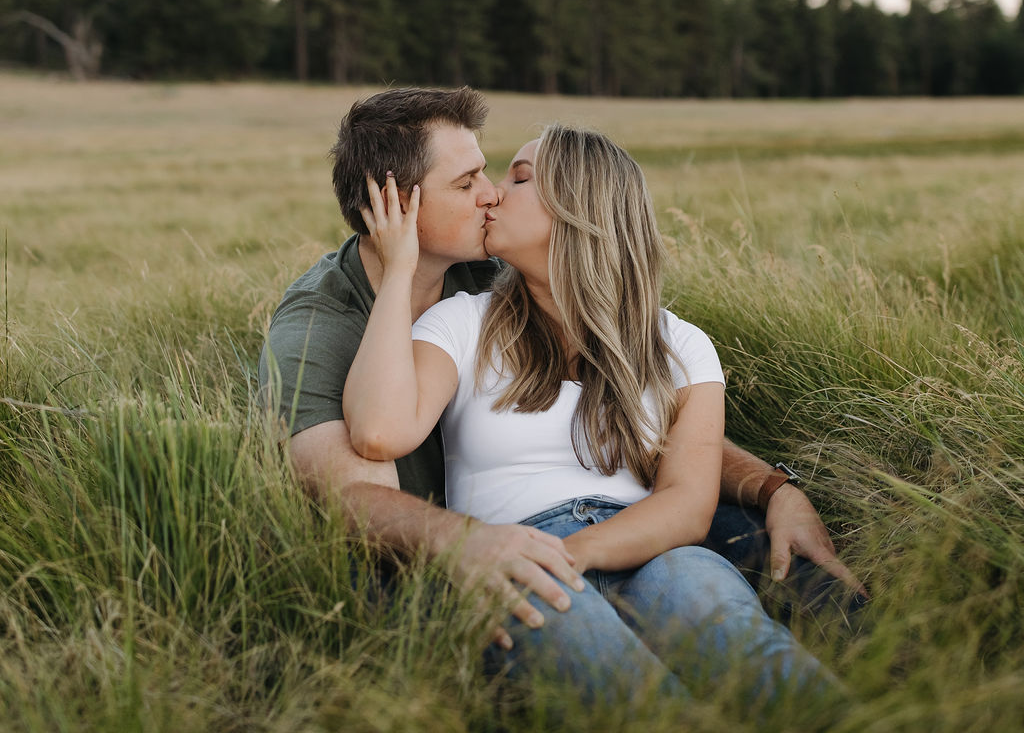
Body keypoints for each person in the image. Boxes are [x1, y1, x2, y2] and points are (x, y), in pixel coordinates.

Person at [259, 87, 865, 655]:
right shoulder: (326, 323)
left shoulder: (488, 269)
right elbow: (354, 497)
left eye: (499, 176)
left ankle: (879, 675)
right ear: (392, 205)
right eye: (469, 182)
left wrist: (772, 487)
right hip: (437, 544)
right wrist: (477, 543)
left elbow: (655, 421)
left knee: (746, 546)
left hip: (611, 521)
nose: (492, 193)